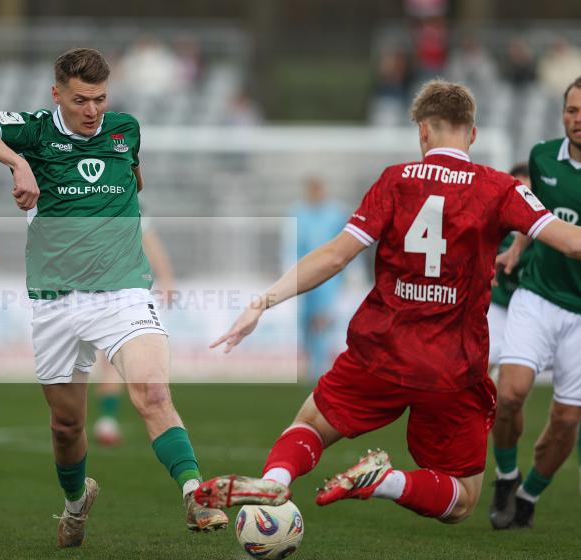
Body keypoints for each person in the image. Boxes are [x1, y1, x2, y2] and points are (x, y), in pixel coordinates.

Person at [193, 80, 581, 527]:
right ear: (473, 135)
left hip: (382, 350)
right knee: (463, 499)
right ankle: (385, 482)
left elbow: (337, 255)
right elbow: (570, 243)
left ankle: (277, 477)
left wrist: (265, 301)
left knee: (311, 425)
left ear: (422, 131)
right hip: (451, 368)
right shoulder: (498, 188)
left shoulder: (395, 181)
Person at [0, 47, 228, 546]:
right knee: (65, 425)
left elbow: (133, 178)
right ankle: (76, 504)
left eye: (100, 99)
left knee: (153, 391)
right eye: (80, 100)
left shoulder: (126, 129)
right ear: (57, 94)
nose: (92, 110)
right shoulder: (35, 131)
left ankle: (195, 492)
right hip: (55, 300)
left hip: (121, 292)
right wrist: (19, 164)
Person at [489, 77, 581, 528]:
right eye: (571, 110)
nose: (577, 119)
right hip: (537, 295)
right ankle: (506, 477)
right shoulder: (543, 156)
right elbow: (534, 215)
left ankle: (528, 497)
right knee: (510, 394)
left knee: (565, 419)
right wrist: (517, 249)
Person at [92, 223, 177, 447]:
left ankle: (107, 419)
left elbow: (149, 241)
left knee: (112, 360)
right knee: (114, 359)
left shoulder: (113, 201)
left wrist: (166, 279)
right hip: (112, 291)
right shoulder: (124, 201)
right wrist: (167, 278)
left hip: (117, 291)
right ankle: (107, 419)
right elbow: (150, 242)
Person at [286, 176, 349, 379]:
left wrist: (350, 272)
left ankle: (319, 368)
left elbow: (345, 244)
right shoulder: (298, 213)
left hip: (328, 276)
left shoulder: (336, 214)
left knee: (322, 320)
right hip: (303, 273)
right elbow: (292, 244)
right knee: (306, 321)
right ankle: (311, 361)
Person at [486, 164, 532, 371]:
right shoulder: (489, 225)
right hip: (496, 304)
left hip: (532, 310)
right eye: (518, 193)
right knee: (480, 366)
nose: (523, 202)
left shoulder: (550, 231)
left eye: (529, 194)